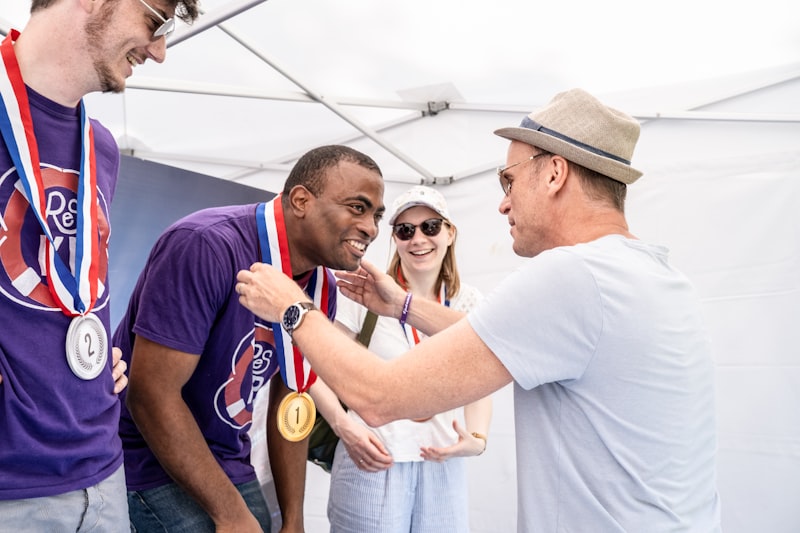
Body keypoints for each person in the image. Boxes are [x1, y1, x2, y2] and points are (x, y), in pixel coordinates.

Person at [235, 88, 723, 532]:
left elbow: (378, 396)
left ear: (555, 173)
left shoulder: (572, 276)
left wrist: (291, 307)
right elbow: (494, 335)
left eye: (507, 181)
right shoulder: (654, 276)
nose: (503, 206)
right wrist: (403, 306)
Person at [0, 0, 199, 530]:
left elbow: (73, 279)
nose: (158, 51)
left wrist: (87, 360)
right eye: (156, 22)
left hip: (102, 472)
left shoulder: (100, 147)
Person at [113, 145, 385, 532]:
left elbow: (292, 399)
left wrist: (293, 519)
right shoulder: (206, 244)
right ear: (302, 200)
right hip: (144, 461)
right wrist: (231, 515)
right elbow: (151, 395)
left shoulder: (322, 287)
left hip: (227, 458)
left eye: (376, 215)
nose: (371, 228)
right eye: (358, 207)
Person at [318, 185, 492, 532]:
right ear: (394, 238)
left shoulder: (467, 302)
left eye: (430, 226)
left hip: (442, 463)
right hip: (373, 458)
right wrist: (344, 425)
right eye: (405, 230)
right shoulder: (365, 291)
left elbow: (482, 379)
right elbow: (319, 365)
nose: (418, 239)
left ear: (449, 232)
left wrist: (476, 439)